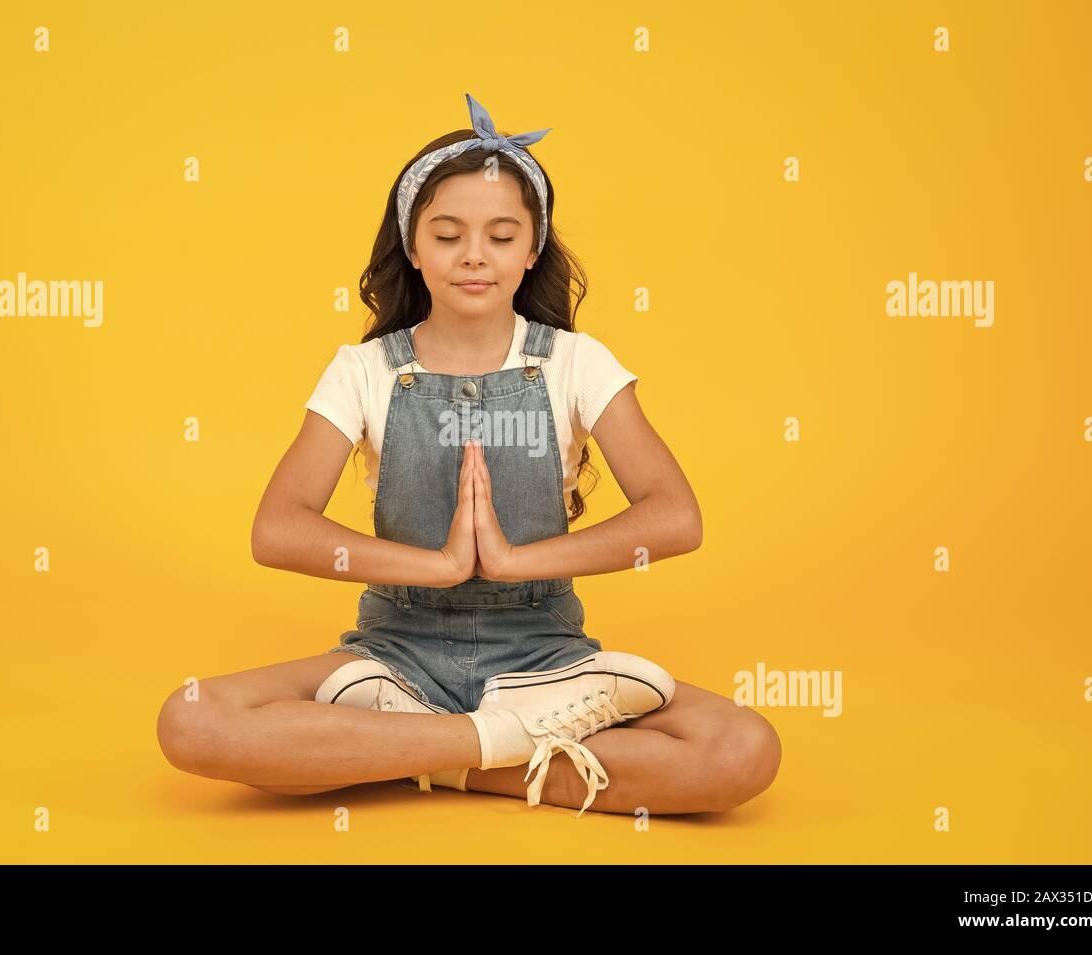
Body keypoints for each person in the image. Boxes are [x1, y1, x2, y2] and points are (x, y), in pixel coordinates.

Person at [157, 93, 782, 816]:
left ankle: (406, 753)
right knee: (192, 718)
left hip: (547, 657)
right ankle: (506, 744)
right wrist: (440, 566)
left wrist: (516, 561)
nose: (475, 256)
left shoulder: (577, 364)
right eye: (448, 235)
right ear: (413, 248)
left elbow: (676, 518)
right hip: (393, 654)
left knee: (740, 749)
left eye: (502, 235)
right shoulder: (364, 370)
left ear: (533, 248)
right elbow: (278, 529)